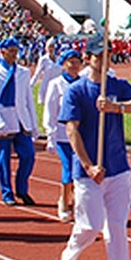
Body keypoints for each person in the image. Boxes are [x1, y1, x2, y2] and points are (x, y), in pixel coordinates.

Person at [56, 37, 131, 260]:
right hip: (88, 172)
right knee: (90, 225)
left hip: (118, 167)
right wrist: (88, 165)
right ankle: (69, 258)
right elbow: (71, 130)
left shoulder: (118, 86)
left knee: (117, 227)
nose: (102, 60)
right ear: (88, 58)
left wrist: (116, 107)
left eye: (107, 55)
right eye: (98, 56)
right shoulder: (77, 91)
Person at [0, 37, 38, 206]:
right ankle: (7, 192)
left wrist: (34, 124)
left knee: (28, 155)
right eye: (11, 51)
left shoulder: (23, 72)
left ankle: (22, 189)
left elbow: (28, 99)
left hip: (21, 121)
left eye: (16, 51)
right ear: (2, 51)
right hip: (4, 122)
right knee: (3, 161)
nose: (15, 54)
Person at [43, 48, 83, 221]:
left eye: (77, 62)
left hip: (82, 136)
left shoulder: (84, 83)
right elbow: (50, 112)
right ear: (64, 64)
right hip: (63, 136)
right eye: (71, 62)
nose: (74, 66)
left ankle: (78, 202)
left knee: (81, 171)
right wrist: (50, 135)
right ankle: (64, 203)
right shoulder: (56, 84)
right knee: (68, 169)